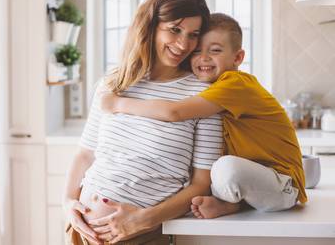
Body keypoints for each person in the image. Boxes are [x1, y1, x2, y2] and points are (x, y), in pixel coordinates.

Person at [101, 13, 307, 220]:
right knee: (220, 169)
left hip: (282, 184)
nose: (204, 57)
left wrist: (118, 103)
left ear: (238, 58)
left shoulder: (236, 84)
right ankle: (231, 203)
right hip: (253, 181)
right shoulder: (212, 89)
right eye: (197, 51)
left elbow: (175, 112)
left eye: (215, 50)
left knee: (226, 167)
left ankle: (231, 205)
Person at [63, 0, 224, 245]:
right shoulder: (114, 83)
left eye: (193, 34)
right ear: (150, 25)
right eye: (175, 30)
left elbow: (201, 183)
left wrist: (143, 220)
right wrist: (67, 203)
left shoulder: (203, 95)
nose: (184, 43)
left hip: (142, 236)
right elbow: (84, 154)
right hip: (80, 233)